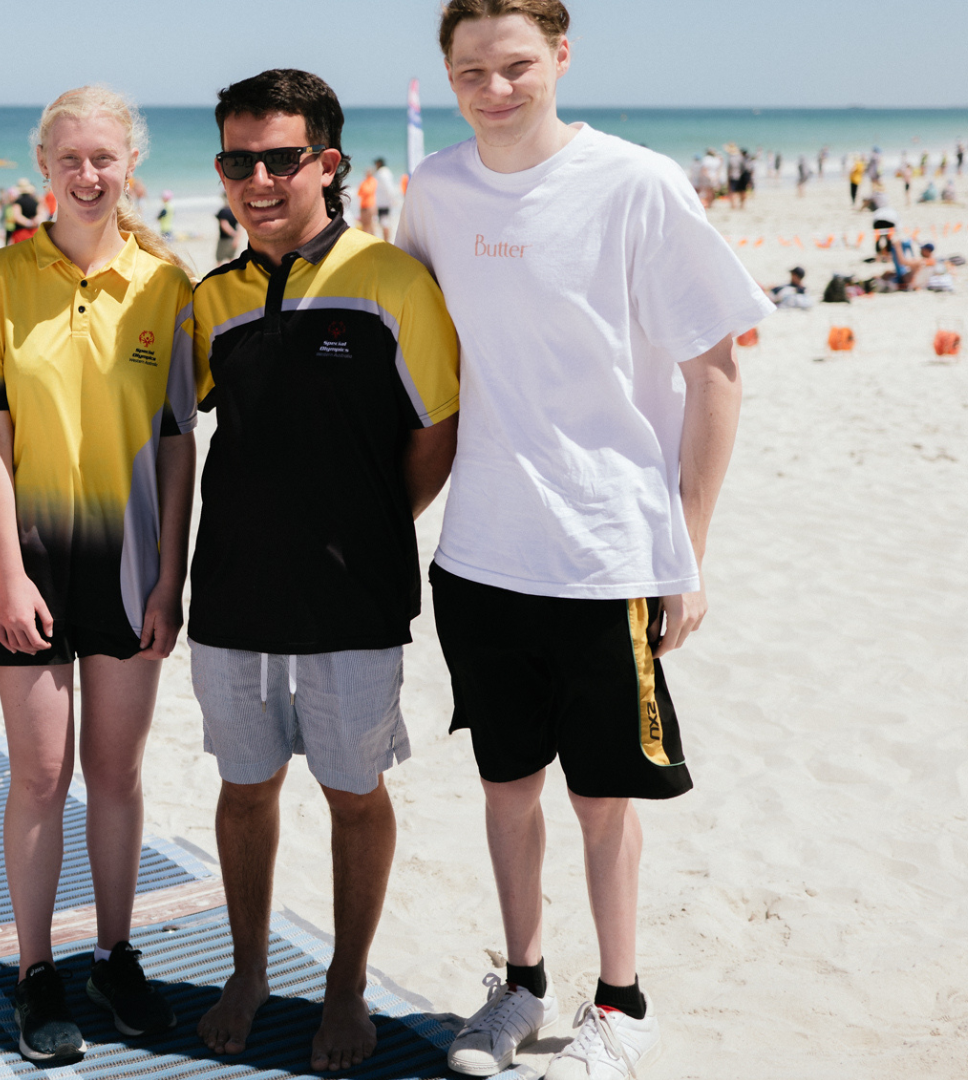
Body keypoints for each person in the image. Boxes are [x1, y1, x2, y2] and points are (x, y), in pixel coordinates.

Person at [399, 4, 773, 1078]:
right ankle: (517, 987)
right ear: (447, 74)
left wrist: (684, 550)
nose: (493, 88)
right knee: (504, 789)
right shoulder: (433, 192)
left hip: (606, 553)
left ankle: (619, 1005)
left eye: (514, 65)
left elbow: (714, 373)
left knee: (599, 802)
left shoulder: (636, 183)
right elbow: (414, 362)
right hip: (477, 557)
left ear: (560, 57)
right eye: (470, 70)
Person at [186, 68, 460, 1075]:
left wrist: (371, 522)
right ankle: (250, 970)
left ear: (326, 164)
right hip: (228, 596)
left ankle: (344, 986)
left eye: (279, 158)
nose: (257, 179)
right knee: (244, 787)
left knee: (353, 794)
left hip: (352, 598)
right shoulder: (208, 300)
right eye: (236, 160)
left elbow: (437, 428)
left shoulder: (389, 281)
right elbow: (174, 432)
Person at [0, 84, 195, 1065]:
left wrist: (168, 577)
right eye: (70, 159)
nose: (88, 174)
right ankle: (34, 973)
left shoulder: (167, 283)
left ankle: (112, 954)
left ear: (127, 164)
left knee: (114, 771)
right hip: (29, 558)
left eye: (105, 158)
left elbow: (181, 443)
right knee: (37, 774)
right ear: (43, 169)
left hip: (132, 561)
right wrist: (6, 572)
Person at [5, 177, 41, 244]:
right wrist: (33, 222)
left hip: (20, 233)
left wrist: (28, 223)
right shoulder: (35, 202)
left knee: (20, 253)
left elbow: (17, 216)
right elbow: (40, 215)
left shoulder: (18, 202)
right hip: (34, 232)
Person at [370, 156, 397, 239]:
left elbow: (388, 187)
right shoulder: (383, 172)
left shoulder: (383, 173)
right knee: (383, 223)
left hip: (384, 203)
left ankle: (386, 241)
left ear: (379, 164)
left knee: (385, 223)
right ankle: (386, 241)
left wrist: (393, 199)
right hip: (383, 202)